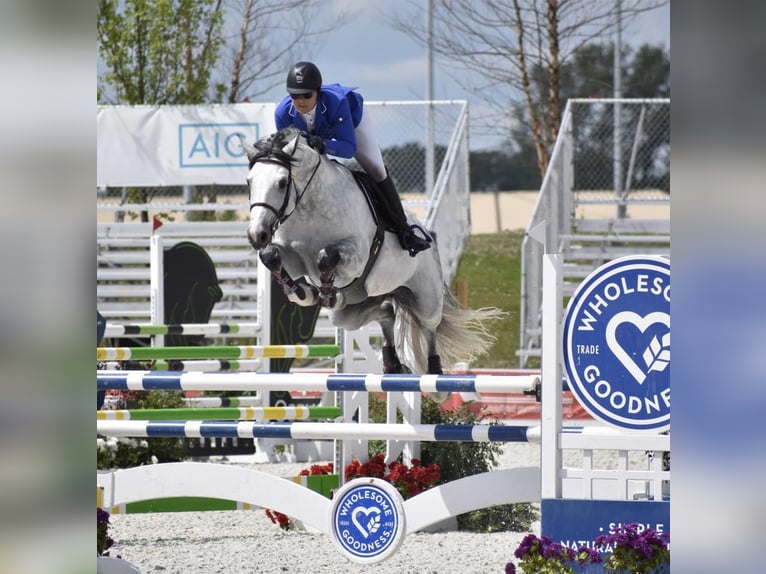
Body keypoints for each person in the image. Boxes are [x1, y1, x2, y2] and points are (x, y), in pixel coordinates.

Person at [274, 61, 432, 257]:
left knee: (376, 169)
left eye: (307, 95)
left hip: (353, 124)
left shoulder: (337, 102)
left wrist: (325, 144)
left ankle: (404, 230)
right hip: (317, 134)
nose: (301, 101)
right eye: (295, 96)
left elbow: (349, 148)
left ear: (318, 92)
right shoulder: (282, 114)